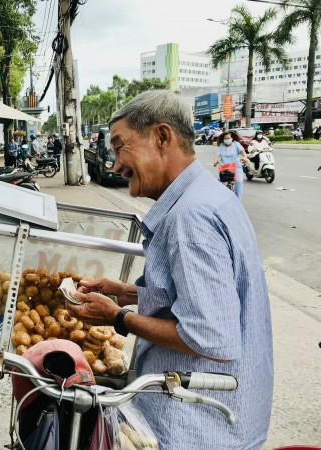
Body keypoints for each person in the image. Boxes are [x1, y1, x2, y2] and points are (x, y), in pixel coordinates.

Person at [66, 90, 273, 450]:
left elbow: (211, 336)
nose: (115, 165)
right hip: (227, 417)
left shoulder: (191, 218)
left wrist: (119, 318)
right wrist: (127, 291)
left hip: (202, 428)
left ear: (162, 137)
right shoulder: (209, 196)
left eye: (119, 147)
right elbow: (197, 296)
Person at [214, 131, 248, 199]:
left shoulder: (236, 144)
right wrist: (215, 161)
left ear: (232, 138)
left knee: (239, 182)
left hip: (236, 167)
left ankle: (238, 199)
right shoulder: (221, 146)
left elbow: (243, 152)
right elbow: (217, 155)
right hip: (224, 168)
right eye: (225, 138)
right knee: (219, 183)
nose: (227, 140)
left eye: (228, 138)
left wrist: (245, 157)